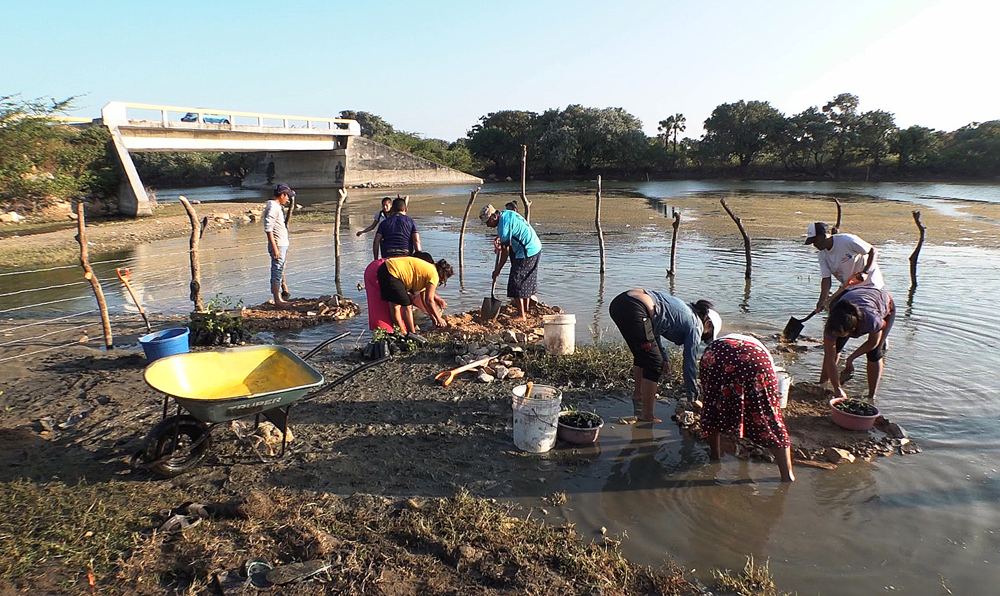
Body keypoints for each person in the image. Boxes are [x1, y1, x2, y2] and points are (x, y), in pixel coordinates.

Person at [608, 289, 721, 422]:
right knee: (653, 363)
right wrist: (693, 397)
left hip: (619, 302)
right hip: (635, 307)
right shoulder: (696, 325)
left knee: (642, 355)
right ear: (707, 323)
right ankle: (647, 415)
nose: (703, 337)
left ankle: (638, 394)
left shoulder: (682, 309)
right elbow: (689, 363)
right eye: (707, 334)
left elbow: (653, 330)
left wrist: (665, 359)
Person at [699, 333, 795, 482]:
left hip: (714, 355)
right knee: (770, 417)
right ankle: (787, 475)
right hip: (756, 362)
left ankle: (714, 456)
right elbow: (770, 396)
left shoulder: (719, 341)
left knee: (713, 404)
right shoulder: (764, 354)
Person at [821, 285, 895, 400]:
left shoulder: (871, 321)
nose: (835, 336)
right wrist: (837, 388)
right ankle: (822, 385)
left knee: (874, 353)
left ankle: (871, 396)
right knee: (835, 350)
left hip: (883, 302)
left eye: (840, 334)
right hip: (854, 298)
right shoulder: (831, 325)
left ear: (852, 330)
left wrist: (850, 359)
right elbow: (829, 359)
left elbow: (872, 343)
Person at [804, 222, 885, 314]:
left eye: (815, 241)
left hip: (869, 283)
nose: (814, 245)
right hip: (850, 286)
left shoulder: (847, 240)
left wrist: (865, 272)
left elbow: (873, 251)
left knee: (859, 310)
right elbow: (826, 279)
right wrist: (822, 300)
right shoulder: (822, 255)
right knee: (834, 307)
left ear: (824, 236)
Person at [479, 204, 541, 320]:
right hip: (535, 246)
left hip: (526, 250)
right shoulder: (506, 213)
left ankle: (521, 315)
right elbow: (511, 230)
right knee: (525, 281)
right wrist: (500, 238)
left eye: (488, 222)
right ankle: (525, 310)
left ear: (494, 217)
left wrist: (497, 270)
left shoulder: (503, 226)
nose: (487, 225)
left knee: (515, 282)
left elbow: (505, 252)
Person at [375, 256, 452, 333]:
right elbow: (429, 300)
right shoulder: (434, 275)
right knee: (407, 306)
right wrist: (439, 318)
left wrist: (433, 318)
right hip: (392, 272)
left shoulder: (429, 269)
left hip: (384, 268)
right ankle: (412, 333)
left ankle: (402, 333)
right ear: (443, 276)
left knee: (395, 306)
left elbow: (424, 299)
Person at [263, 183, 294, 309]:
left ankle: (278, 298)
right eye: (287, 196)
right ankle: (277, 300)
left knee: (279, 270)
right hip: (278, 244)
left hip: (281, 243)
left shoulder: (276, 206)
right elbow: (268, 228)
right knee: (277, 270)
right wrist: (274, 247)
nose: (287, 199)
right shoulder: (272, 207)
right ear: (282, 195)